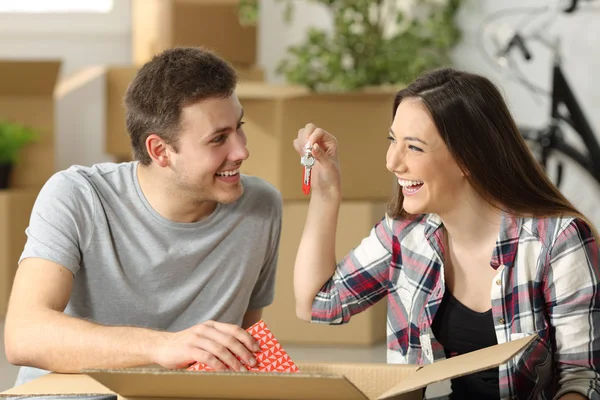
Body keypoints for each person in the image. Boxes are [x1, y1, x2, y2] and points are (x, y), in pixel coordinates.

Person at [293, 67, 600, 399]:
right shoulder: (405, 235)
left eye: (414, 147)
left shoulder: (556, 241)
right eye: (393, 140)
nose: (392, 162)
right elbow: (317, 305)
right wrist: (326, 192)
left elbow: (581, 379)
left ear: (467, 158)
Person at [4, 46, 282, 391]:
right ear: (160, 151)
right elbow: (23, 335)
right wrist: (163, 346)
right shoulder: (77, 195)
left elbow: (244, 349)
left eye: (238, 127)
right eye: (218, 139)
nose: (241, 151)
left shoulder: (260, 207)